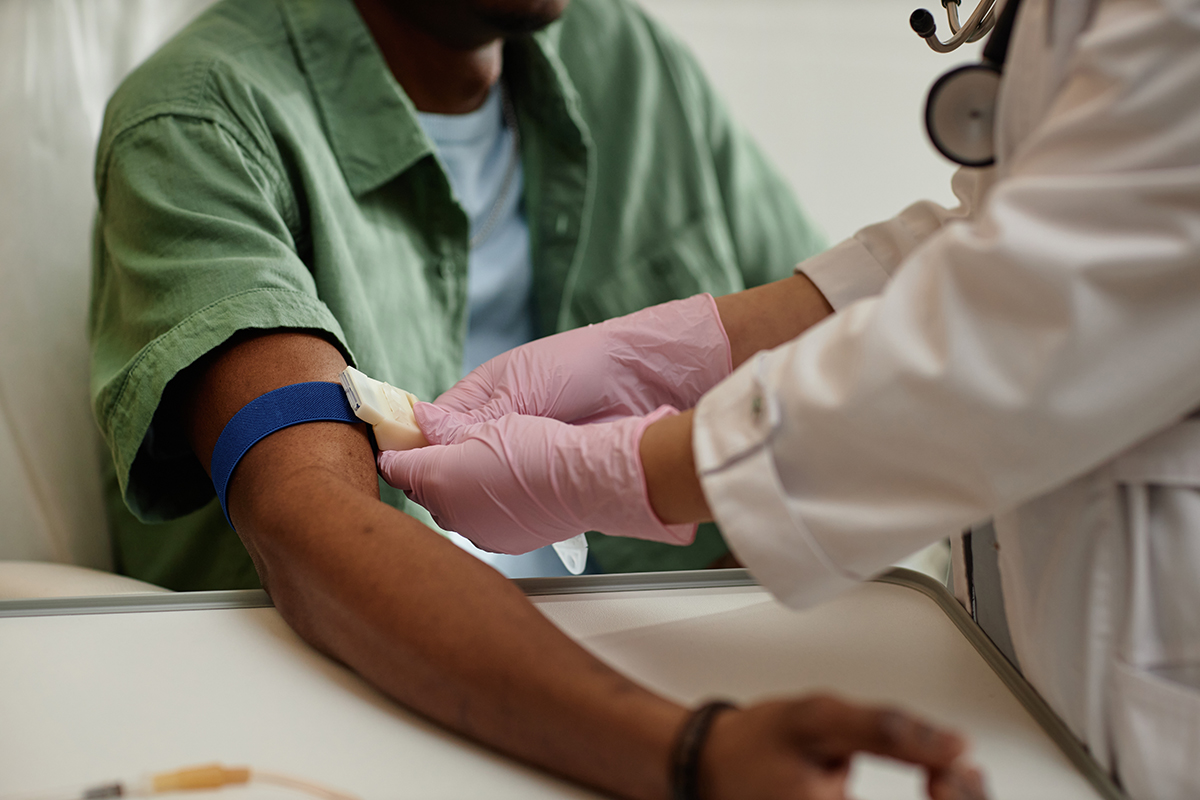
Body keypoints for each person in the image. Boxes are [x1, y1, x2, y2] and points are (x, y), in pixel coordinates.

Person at [89, 0, 987, 797]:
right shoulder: (200, 122)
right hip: (363, 705)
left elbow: (856, 342)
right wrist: (691, 753)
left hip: (681, 669)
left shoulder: (627, 60)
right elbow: (307, 522)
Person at [381, 0, 1200, 797]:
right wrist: (701, 343)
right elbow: (1009, 238)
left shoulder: (630, 61)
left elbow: (1036, 321)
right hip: (1038, 655)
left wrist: (634, 469)